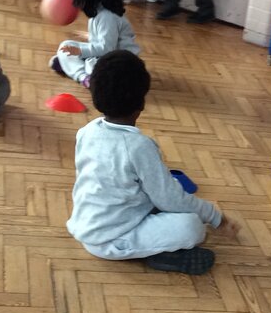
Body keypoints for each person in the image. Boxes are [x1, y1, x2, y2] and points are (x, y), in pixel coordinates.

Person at [66, 50, 239, 275]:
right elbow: (171, 200)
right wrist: (216, 218)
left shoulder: (87, 131)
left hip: (87, 225)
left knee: (160, 198)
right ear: (142, 103)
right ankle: (157, 254)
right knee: (193, 227)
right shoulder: (139, 146)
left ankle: (149, 242)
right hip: (113, 239)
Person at [49, 0, 140, 88]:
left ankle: (84, 77)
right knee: (66, 46)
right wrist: (88, 36)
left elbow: (107, 49)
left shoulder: (107, 17)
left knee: (84, 60)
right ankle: (72, 66)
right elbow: (106, 40)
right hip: (112, 56)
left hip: (119, 64)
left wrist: (79, 51)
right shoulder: (101, 10)